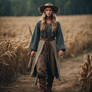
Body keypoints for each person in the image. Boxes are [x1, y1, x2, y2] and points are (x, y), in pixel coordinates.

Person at [29, 2, 66, 92]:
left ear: (53, 12)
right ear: (44, 12)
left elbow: (60, 36)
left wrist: (61, 48)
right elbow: (35, 36)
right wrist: (33, 49)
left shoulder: (57, 24)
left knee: (51, 68)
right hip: (41, 46)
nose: (48, 12)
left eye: (50, 10)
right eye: (47, 10)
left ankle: (49, 88)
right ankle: (43, 89)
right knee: (40, 68)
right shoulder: (39, 23)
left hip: (52, 46)